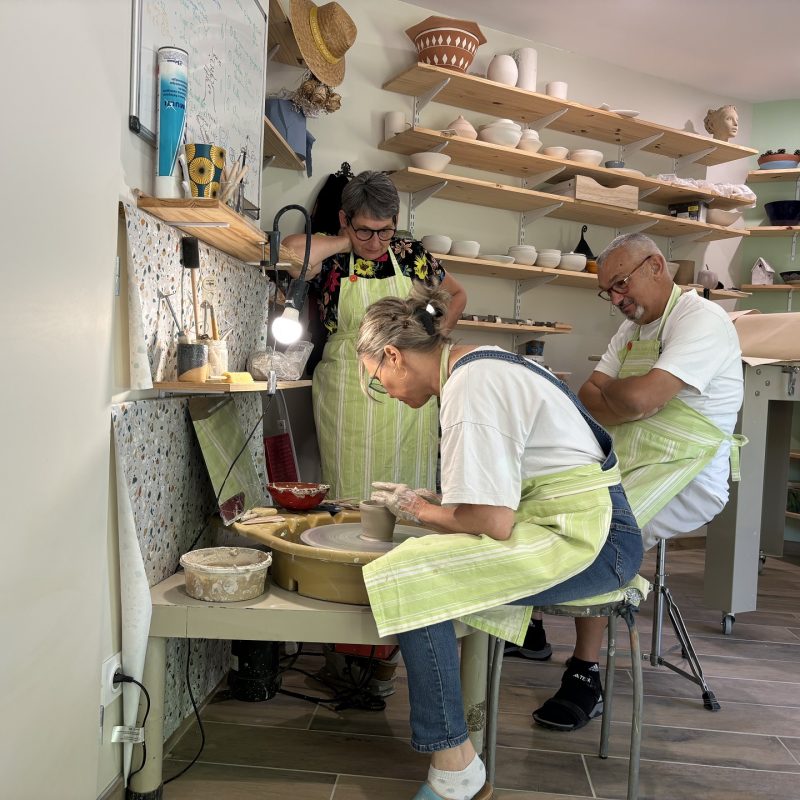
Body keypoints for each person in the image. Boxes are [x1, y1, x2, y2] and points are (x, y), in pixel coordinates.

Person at [357, 282, 645, 800]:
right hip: (580, 522)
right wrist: (437, 506)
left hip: (597, 540)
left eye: (378, 379)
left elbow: (493, 521)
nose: (388, 392)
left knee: (409, 573)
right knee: (418, 563)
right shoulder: (480, 362)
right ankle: (458, 752)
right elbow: (499, 499)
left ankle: (456, 769)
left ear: (394, 356)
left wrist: (419, 510)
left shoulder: (470, 387)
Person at [531, 232, 744, 732]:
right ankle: (531, 624)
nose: (616, 299)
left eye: (621, 284)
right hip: (633, 454)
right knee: (544, 493)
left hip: (689, 469)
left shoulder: (701, 320)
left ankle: (584, 674)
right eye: (607, 291)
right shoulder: (632, 329)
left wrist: (626, 399)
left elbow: (637, 400)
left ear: (655, 266)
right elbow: (590, 397)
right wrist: (628, 400)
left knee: (603, 527)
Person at [283, 170, 466, 500]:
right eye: (365, 230)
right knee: (351, 491)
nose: (375, 242)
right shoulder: (331, 255)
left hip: (409, 395)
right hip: (347, 393)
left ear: (395, 221)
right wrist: (345, 241)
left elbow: (456, 295)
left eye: (385, 231)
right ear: (345, 219)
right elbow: (290, 253)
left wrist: (432, 341)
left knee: (409, 492)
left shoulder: (410, 254)